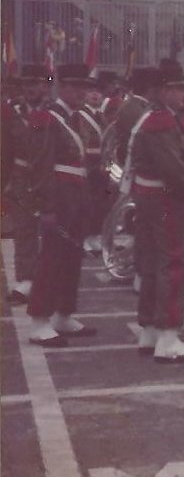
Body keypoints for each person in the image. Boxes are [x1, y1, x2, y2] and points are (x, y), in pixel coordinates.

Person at [128, 61, 184, 362]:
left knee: (150, 262)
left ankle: (149, 330)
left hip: (148, 195)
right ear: (162, 91)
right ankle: (169, 335)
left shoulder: (152, 116)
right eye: (176, 88)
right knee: (172, 261)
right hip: (165, 197)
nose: (182, 94)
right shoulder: (161, 120)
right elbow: (173, 170)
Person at [24, 63, 98, 347]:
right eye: (75, 87)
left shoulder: (79, 118)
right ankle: (39, 320)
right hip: (58, 196)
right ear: (62, 87)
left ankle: (62, 314)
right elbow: (41, 166)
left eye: (85, 88)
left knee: (71, 260)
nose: (82, 93)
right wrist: (47, 207)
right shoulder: (47, 118)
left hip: (77, 196)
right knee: (51, 260)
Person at [4, 64, 50, 305]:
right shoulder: (11, 112)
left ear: (45, 86)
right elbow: (4, 149)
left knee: (54, 230)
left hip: (50, 177)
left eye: (36, 84)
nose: (31, 89)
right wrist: (6, 183)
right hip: (22, 176)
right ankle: (25, 280)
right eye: (26, 84)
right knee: (24, 229)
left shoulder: (55, 112)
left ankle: (51, 278)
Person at [74, 76, 107, 255]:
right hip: (87, 164)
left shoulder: (101, 115)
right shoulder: (80, 115)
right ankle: (86, 238)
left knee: (100, 202)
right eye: (91, 91)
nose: (95, 95)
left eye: (98, 91)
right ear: (85, 95)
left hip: (101, 165)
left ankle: (96, 236)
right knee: (87, 203)